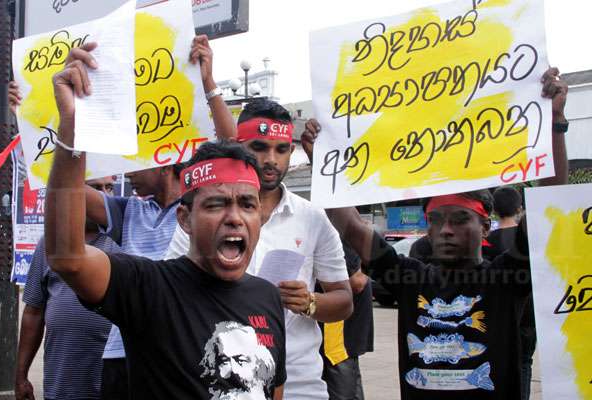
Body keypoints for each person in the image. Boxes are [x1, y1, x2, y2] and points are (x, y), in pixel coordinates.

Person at [301, 67, 568, 399]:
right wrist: (322, 164)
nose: (445, 230)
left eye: (459, 220)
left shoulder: (506, 279)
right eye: (436, 220)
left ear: (485, 226)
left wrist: (555, 123)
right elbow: (353, 227)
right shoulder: (410, 276)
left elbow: (548, 208)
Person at [45, 43, 287, 398]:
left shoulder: (267, 296)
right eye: (217, 204)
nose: (234, 217)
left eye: (247, 205)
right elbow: (67, 257)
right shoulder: (148, 288)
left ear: (260, 218)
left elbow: (273, 389)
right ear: (185, 219)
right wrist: (73, 131)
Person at [75, 35, 237, 399]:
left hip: (184, 351)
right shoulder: (127, 209)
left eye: (134, 159)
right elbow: (66, 189)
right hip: (122, 355)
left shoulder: (201, 208)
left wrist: (209, 83)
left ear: (164, 163)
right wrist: (60, 118)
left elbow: (235, 158)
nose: (125, 169)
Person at [166, 99, 353, 399]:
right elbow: (171, 288)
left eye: (281, 149)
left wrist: (309, 302)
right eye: (259, 147)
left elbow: (344, 300)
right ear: (239, 147)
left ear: (292, 151)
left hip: (299, 384)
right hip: (220, 382)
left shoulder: (312, 218)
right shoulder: (205, 217)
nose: (271, 160)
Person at [16, 176, 119, 400]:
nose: (105, 195)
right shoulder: (51, 243)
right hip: (61, 385)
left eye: (109, 187)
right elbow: (33, 313)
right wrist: (21, 374)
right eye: (96, 188)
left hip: (113, 385)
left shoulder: (123, 242)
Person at [489, 186, 536, 400]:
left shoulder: (484, 240)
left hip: (496, 315)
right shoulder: (529, 239)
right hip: (529, 315)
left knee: (496, 361)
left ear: (494, 210)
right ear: (519, 207)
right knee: (525, 361)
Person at [321, 241, 374, 400]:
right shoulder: (341, 232)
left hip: (339, 330)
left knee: (345, 385)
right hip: (339, 330)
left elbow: (357, 281)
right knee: (348, 386)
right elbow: (358, 280)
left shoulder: (339, 234)